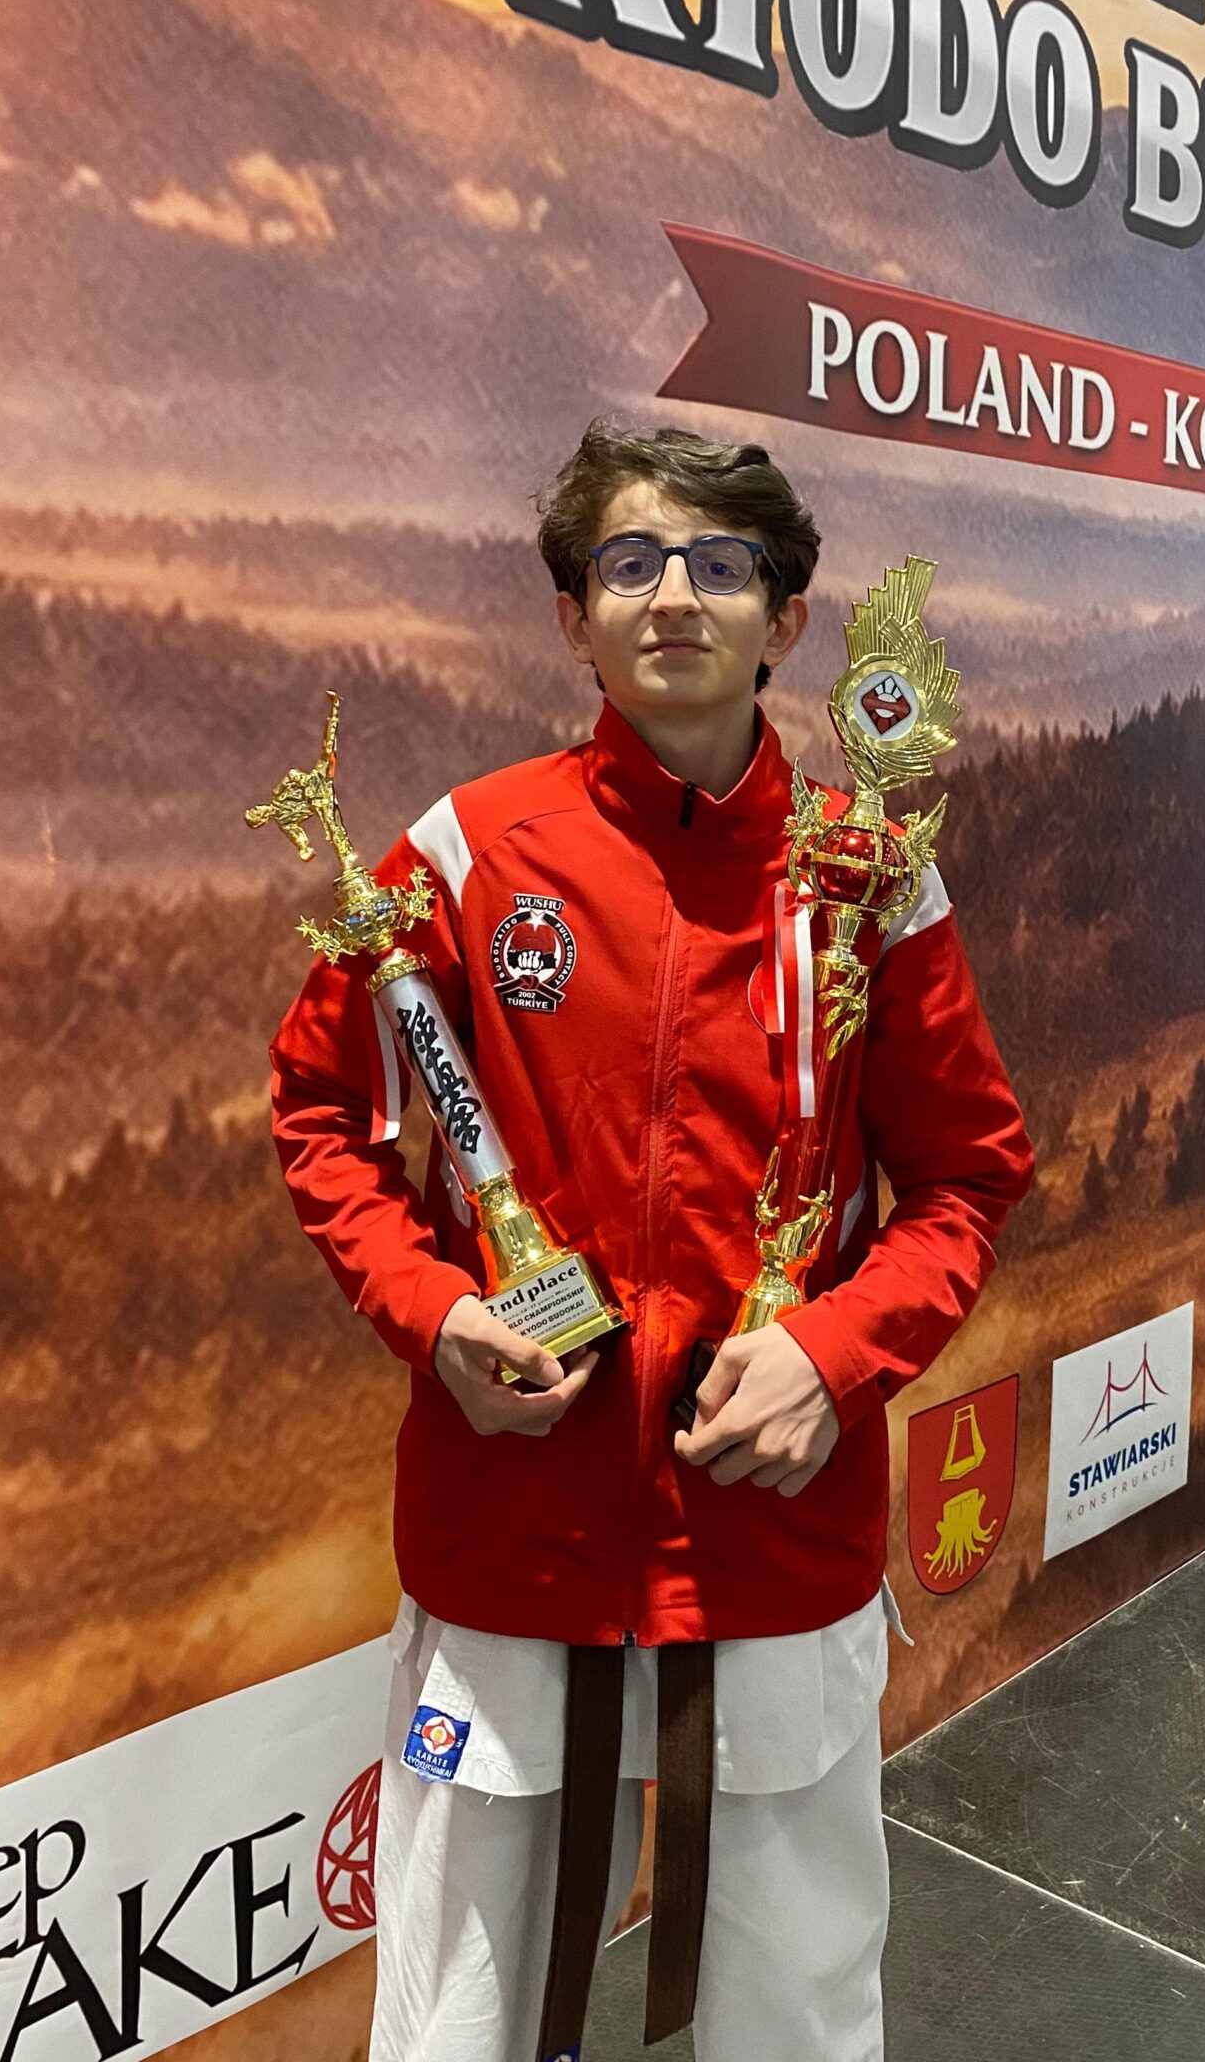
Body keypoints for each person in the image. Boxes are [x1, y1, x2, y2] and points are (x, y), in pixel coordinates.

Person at [269, 421, 1034, 2062]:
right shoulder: (467, 857)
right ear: (574, 619)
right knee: (461, 2023)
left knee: (795, 2019)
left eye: (718, 564)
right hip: (514, 1530)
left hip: (769, 1533)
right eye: (629, 563)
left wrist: (834, 1355)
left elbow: (969, 1179)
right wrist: (431, 1315)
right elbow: (323, 1116)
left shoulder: (869, 882)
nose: (673, 595)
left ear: (786, 618)